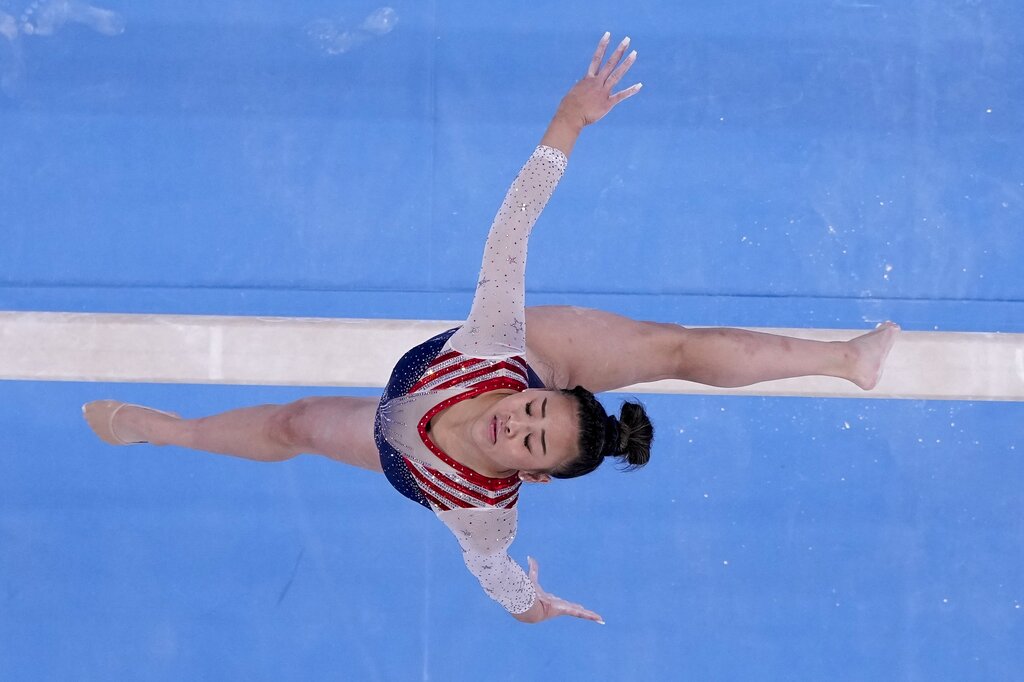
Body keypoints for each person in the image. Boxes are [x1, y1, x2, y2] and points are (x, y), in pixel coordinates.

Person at [83, 33, 899, 624]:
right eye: (539, 411)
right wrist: (567, 124)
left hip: (409, 448)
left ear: (530, 477)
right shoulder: (497, 350)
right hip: (541, 351)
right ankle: (177, 428)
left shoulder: (484, 508)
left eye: (531, 440)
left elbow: (490, 568)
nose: (520, 419)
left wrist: (527, 604)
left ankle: (844, 359)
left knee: (298, 422)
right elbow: (511, 231)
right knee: (670, 346)